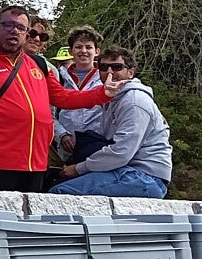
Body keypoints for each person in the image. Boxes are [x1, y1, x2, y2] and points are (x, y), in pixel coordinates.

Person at [0, 5, 122, 192]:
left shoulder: (39, 64)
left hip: (36, 163)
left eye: (21, 27)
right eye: (8, 25)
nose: (14, 30)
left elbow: (63, 98)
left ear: (25, 34)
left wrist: (103, 94)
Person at [49, 47, 171, 198]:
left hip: (145, 176)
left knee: (60, 192)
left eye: (117, 67)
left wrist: (78, 168)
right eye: (103, 67)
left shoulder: (134, 102)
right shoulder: (112, 99)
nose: (109, 72)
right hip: (125, 170)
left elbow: (121, 152)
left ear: (131, 72)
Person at [53, 26, 107, 157]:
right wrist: (61, 134)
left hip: (98, 148)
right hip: (66, 151)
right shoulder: (58, 78)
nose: (83, 51)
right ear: (71, 51)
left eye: (88, 47)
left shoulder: (106, 78)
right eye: (78, 47)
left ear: (97, 51)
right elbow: (47, 113)